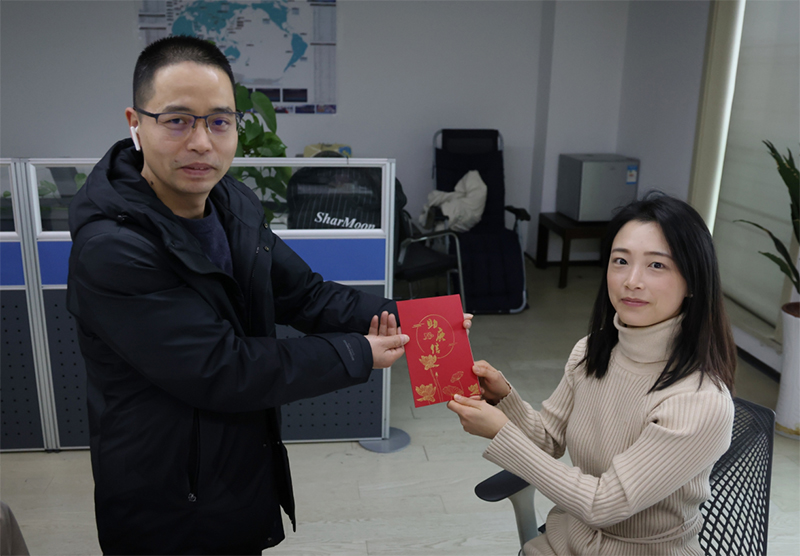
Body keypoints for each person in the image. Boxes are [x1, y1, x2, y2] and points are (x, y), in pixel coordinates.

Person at [67, 36, 417, 555]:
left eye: (219, 121)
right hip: (166, 495)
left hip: (235, 464)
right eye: (177, 120)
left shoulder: (231, 203)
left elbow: (304, 294)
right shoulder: (114, 249)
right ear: (135, 122)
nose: (201, 142)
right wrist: (356, 352)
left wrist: (410, 316)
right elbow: (222, 369)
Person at [448, 194, 737, 555]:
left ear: (693, 280)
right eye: (621, 261)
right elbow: (548, 440)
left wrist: (501, 433)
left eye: (657, 265)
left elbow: (603, 505)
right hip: (563, 540)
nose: (632, 281)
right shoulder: (591, 350)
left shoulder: (700, 400)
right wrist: (504, 399)